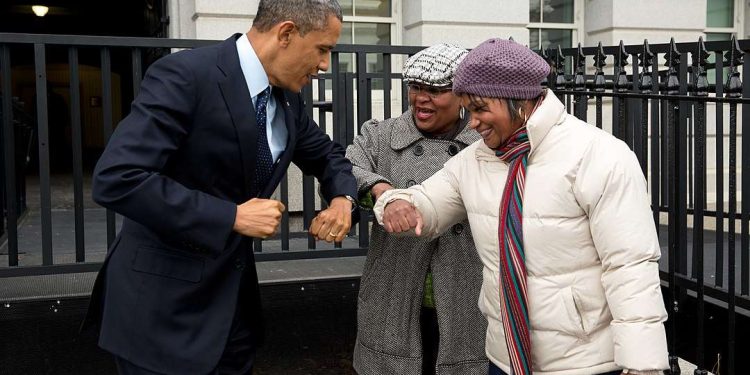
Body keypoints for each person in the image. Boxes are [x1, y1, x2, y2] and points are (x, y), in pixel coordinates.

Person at [83, 1, 358, 374]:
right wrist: (230, 215)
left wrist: (343, 199)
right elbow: (118, 177)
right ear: (286, 33)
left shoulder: (288, 97)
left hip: (232, 316)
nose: (325, 64)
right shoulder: (185, 75)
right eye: (323, 49)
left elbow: (327, 155)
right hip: (162, 317)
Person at [374, 38, 669, 375]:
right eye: (468, 109)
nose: (472, 123)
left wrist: (643, 365)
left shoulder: (600, 156)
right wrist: (397, 201)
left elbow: (630, 266)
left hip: (585, 362)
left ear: (520, 102)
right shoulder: (475, 160)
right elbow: (427, 200)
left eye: (481, 108)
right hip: (504, 357)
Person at [346, 44, 487, 375]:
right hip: (395, 291)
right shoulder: (380, 135)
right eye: (416, 87)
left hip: (465, 292)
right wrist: (384, 192)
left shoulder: (485, 142)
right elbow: (345, 168)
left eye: (436, 90)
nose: (422, 98)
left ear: (463, 95)